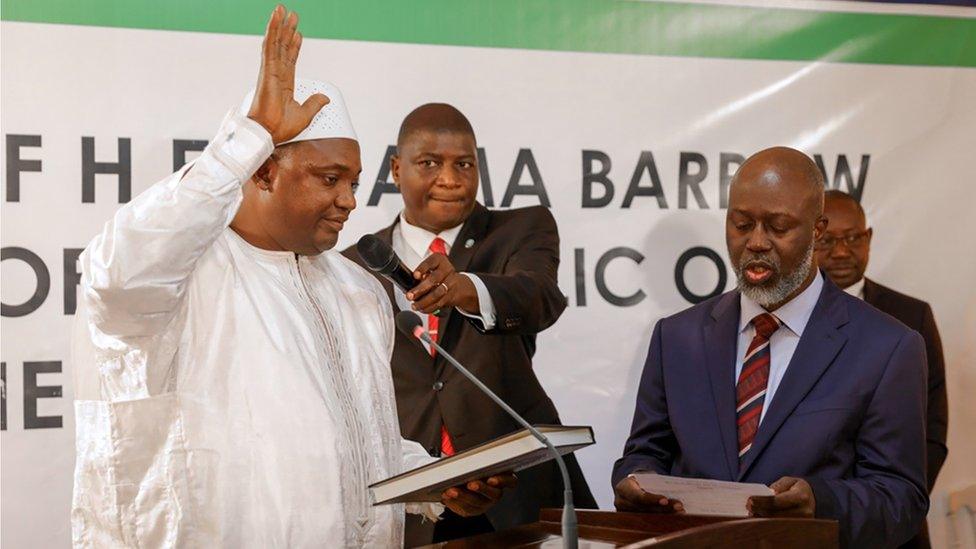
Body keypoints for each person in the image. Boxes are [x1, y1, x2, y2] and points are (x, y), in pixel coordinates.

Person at [70, 7, 512, 547]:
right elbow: (118, 276)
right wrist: (245, 138)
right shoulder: (181, 278)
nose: (349, 201)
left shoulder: (355, 290)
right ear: (262, 170)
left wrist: (437, 482)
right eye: (329, 179)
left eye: (353, 180)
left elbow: (361, 441)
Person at [611, 147, 929, 548]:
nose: (756, 242)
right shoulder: (675, 338)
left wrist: (821, 502)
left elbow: (901, 499)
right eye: (741, 224)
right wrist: (633, 481)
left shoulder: (888, 347)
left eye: (778, 227)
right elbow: (645, 452)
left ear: (817, 230)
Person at [343, 103, 596, 545]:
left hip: (518, 495)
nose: (450, 179)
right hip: (416, 502)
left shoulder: (521, 228)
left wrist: (465, 289)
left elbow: (539, 296)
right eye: (429, 163)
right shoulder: (352, 266)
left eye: (464, 163)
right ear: (396, 169)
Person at [817, 189, 948, 548]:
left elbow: (932, 430)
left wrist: (890, 507)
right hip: (808, 523)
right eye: (828, 240)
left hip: (893, 530)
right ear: (809, 240)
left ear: (869, 237)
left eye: (853, 237)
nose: (842, 251)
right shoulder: (784, 320)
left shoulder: (911, 317)